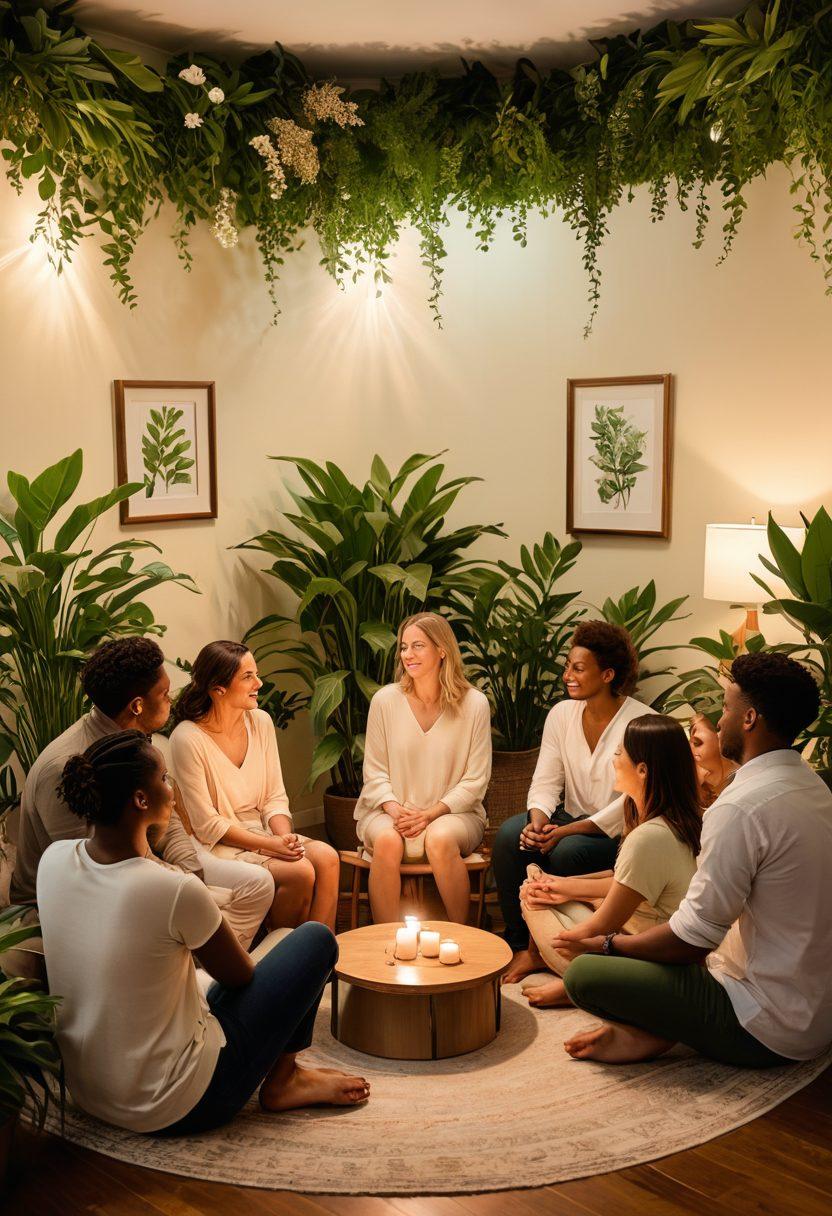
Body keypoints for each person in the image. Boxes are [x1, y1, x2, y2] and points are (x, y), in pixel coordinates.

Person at [37, 731, 369, 1133]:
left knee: (213, 976)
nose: (171, 788)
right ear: (141, 800)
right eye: (163, 778)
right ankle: (284, 1080)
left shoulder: (52, 861)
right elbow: (241, 977)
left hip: (88, 1092)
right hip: (180, 1103)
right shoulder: (172, 888)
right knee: (315, 939)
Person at [557, 652, 832, 1068]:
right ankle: (656, 1029)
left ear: (750, 718)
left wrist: (610, 945)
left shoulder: (740, 806)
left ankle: (653, 1032)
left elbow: (689, 941)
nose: (719, 721)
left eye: (726, 708)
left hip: (765, 1025)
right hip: (816, 1016)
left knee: (585, 974)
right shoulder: (814, 788)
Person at [6, 639, 273, 978]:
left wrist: (191, 877)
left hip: (135, 873)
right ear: (136, 705)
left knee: (252, 888)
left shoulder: (138, 739)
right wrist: (180, 887)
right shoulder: (68, 767)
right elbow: (98, 867)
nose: (171, 699)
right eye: (163, 694)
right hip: (62, 904)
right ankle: (206, 976)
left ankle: (201, 974)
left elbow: (170, 817)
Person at [494, 620, 656, 983]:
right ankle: (521, 946)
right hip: (569, 818)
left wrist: (564, 832)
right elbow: (546, 780)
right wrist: (537, 822)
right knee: (509, 835)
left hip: (617, 832)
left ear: (608, 674)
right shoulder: (561, 714)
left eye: (578, 669)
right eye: (568, 666)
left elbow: (630, 803)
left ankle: (558, 947)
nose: (567, 675)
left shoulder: (641, 721)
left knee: (567, 853)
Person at [519, 714, 701, 1007]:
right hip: (632, 935)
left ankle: (581, 983)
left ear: (642, 770)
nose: (614, 760)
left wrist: (564, 931)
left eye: (619, 753)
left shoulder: (651, 837)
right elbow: (620, 879)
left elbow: (601, 928)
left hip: (646, 959)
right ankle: (578, 976)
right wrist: (560, 885)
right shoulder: (652, 815)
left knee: (530, 898)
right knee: (543, 891)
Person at [169, 641, 340, 932]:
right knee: (300, 872)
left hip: (264, 833)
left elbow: (275, 796)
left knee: (328, 858)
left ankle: (319, 958)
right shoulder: (187, 738)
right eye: (247, 676)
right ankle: (285, 959)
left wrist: (286, 840)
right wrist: (270, 846)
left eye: (256, 674)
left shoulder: (260, 721)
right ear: (218, 688)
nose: (259, 683)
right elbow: (206, 824)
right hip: (220, 845)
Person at [354, 613, 491, 925]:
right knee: (388, 840)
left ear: (442, 650)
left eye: (417, 646)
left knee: (439, 838)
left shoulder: (475, 704)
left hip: (455, 816)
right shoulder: (385, 701)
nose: (407, 655)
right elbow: (374, 772)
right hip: (389, 812)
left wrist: (430, 815)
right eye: (403, 648)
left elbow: (476, 780)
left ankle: (464, 937)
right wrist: (394, 809)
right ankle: (386, 940)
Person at [689, 712, 737, 807]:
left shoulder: (741, 775)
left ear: (720, 736)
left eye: (697, 742)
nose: (691, 748)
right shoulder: (698, 781)